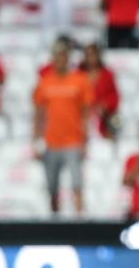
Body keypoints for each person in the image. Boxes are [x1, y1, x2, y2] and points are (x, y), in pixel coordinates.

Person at [33, 39, 94, 215]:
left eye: (62, 55)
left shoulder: (80, 80)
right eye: (56, 56)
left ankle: (80, 220)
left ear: (67, 58)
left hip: (73, 141)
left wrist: (85, 141)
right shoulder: (45, 82)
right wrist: (36, 140)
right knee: (52, 187)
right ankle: (55, 221)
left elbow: (86, 114)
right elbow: (39, 114)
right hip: (52, 142)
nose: (59, 59)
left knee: (77, 183)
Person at [81, 43, 120, 139]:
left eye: (93, 54)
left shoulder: (107, 74)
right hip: (83, 113)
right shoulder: (78, 74)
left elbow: (114, 95)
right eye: (88, 55)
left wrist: (105, 105)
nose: (91, 58)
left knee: (114, 120)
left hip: (103, 115)